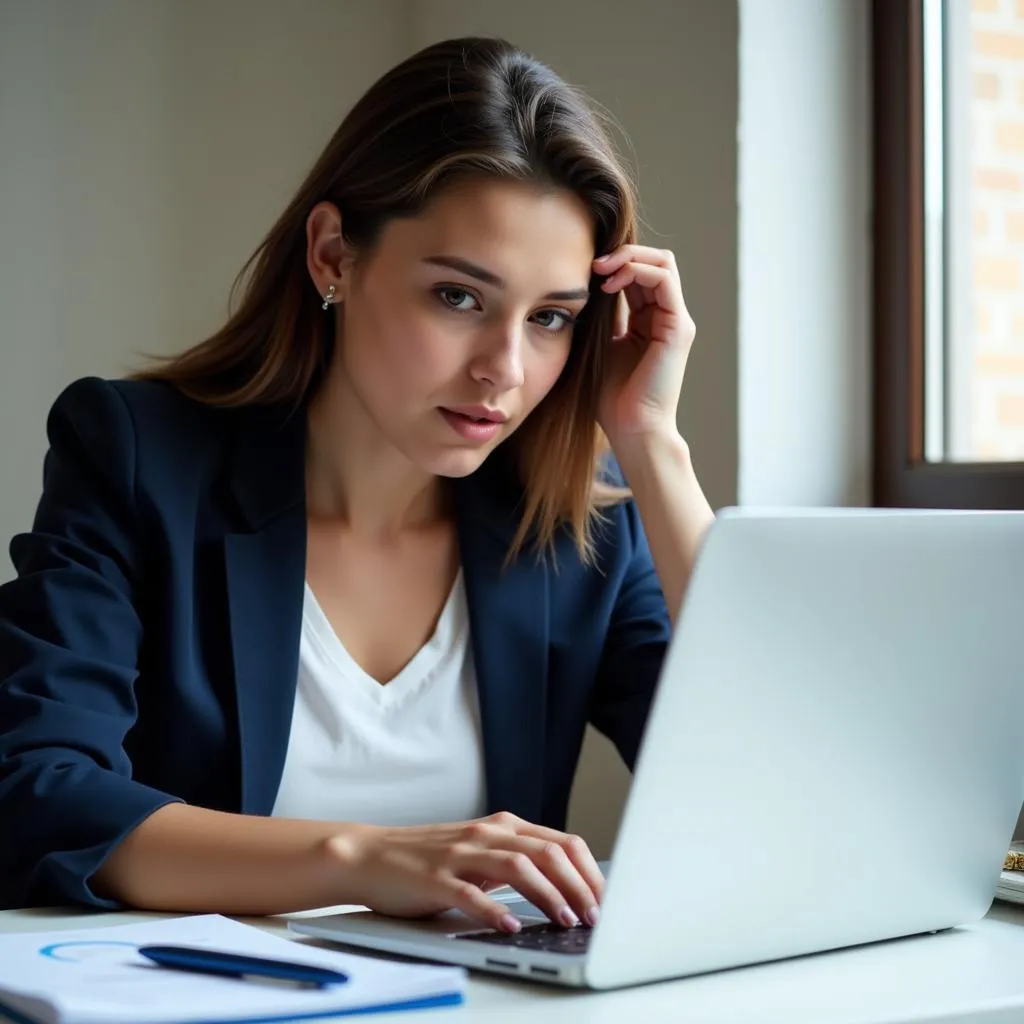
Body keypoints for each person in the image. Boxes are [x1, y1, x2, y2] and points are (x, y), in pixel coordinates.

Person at [0, 37, 714, 933]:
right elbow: (37, 793)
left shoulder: (584, 524)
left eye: (552, 319)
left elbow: (774, 787)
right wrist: (366, 857)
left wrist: (656, 449)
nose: (505, 368)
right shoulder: (142, 458)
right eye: (459, 297)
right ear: (334, 254)